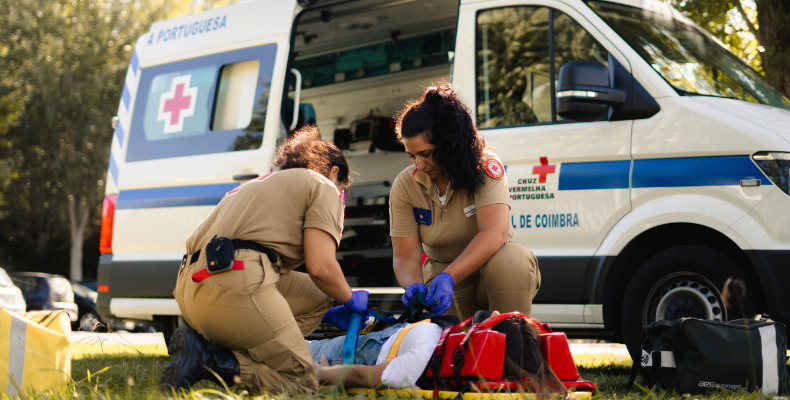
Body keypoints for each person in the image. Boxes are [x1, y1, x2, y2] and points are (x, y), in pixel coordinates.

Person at [160, 126, 369, 395]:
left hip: (190, 288)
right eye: (343, 191)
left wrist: (331, 300)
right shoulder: (324, 185)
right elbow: (322, 268)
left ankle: (218, 351)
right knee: (303, 383)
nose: (340, 197)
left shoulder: (259, 184)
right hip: (234, 282)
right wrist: (349, 298)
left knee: (319, 297)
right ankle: (211, 359)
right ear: (334, 172)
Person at [390, 81, 541, 320]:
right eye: (412, 156)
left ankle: (511, 337)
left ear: (450, 143)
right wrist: (413, 285)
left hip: (488, 270)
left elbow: (495, 232)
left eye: (426, 154)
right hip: (441, 280)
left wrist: (449, 277)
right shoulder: (405, 185)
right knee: (450, 340)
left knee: (514, 260)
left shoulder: (484, 166)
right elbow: (405, 255)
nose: (419, 164)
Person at [309, 311, 567, 399]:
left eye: (495, 319)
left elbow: (361, 375)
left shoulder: (423, 361)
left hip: (372, 349)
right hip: (396, 332)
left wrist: (323, 372)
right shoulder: (451, 351)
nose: (495, 312)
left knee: (300, 350)